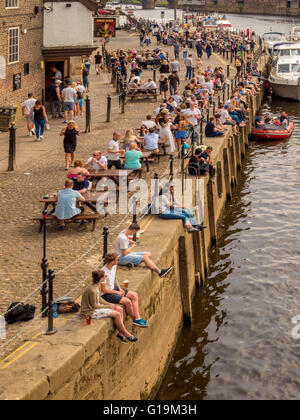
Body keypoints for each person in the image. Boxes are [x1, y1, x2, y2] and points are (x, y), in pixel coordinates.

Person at [80, 270, 138, 344]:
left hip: (96, 306)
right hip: (90, 311)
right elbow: (94, 306)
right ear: (101, 278)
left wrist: (109, 304)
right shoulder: (92, 290)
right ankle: (127, 334)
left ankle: (120, 334)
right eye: (105, 276)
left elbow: (99, 299)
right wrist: (109, 306)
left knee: (119, 309)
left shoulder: (97, 285)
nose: (106, 277)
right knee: (117, 314)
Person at [101, 253, 148, 328]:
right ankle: (135, 319)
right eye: (117, 259)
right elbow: (103, 289)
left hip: (114, 288)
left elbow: (114, 278)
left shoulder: (114, 266)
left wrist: (119, 288)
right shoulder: (103, 272)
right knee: (127, 301)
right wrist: (117, 292)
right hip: (106, 294)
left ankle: (138, 318)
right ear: (112, 262)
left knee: (134, 295)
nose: (118, 261)